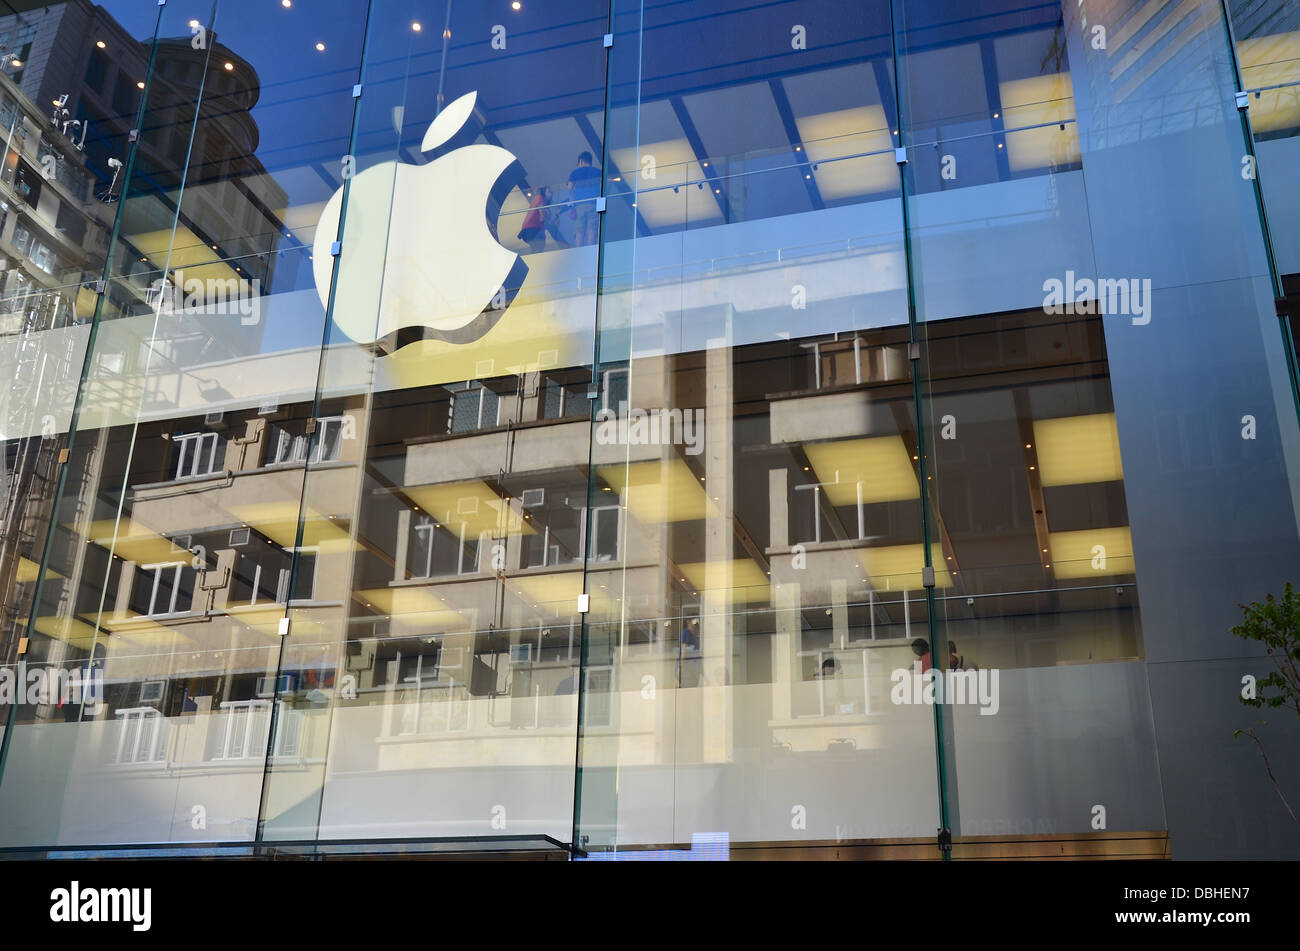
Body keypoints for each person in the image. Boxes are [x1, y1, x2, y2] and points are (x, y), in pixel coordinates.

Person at [567, 151, 602, 246]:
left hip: (580, 205)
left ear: (581, 161)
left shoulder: (575, 172)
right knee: (592, 228)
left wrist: (574, 197)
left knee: (579, 230)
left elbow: (569, 188)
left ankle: (579, 250)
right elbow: (605, 187)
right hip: (594, 204)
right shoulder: (598, 172)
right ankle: (591, 249)